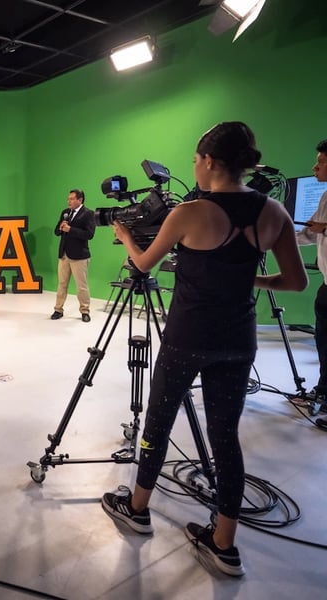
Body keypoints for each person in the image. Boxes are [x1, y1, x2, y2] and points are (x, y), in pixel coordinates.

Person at [99, 122, 307, 577]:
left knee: (159, 419)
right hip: (239, 342)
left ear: (210, 161)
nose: (194, 166)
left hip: (187, 337)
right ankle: (223, 545)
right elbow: (295, 281)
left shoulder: (190, 212)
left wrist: (125, 236)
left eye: (195, 159)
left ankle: (136, 510)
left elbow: (143, 262)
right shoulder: (273, 212)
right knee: (226, 437)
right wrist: (249, 278)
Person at [295, 139, 327, 431]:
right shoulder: (325, 196)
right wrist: (276, 237)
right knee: (324, 342)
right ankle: (324, 391)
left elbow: (321, 230)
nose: (314, 167)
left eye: (321, 162)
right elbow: (309, 234)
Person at [50, 189, 95, 322]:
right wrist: (60, 227)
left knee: (82, 286)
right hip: (64, 254)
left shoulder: (88, 214)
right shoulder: (65, 213)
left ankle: (85, 311)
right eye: (68, 198)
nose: (68, 201)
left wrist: (71, 230)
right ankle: (58, 309)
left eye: (71, 199)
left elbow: (89, 234)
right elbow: (56, 232)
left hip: (79, 256)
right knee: (62, 284)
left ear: (80, 200)